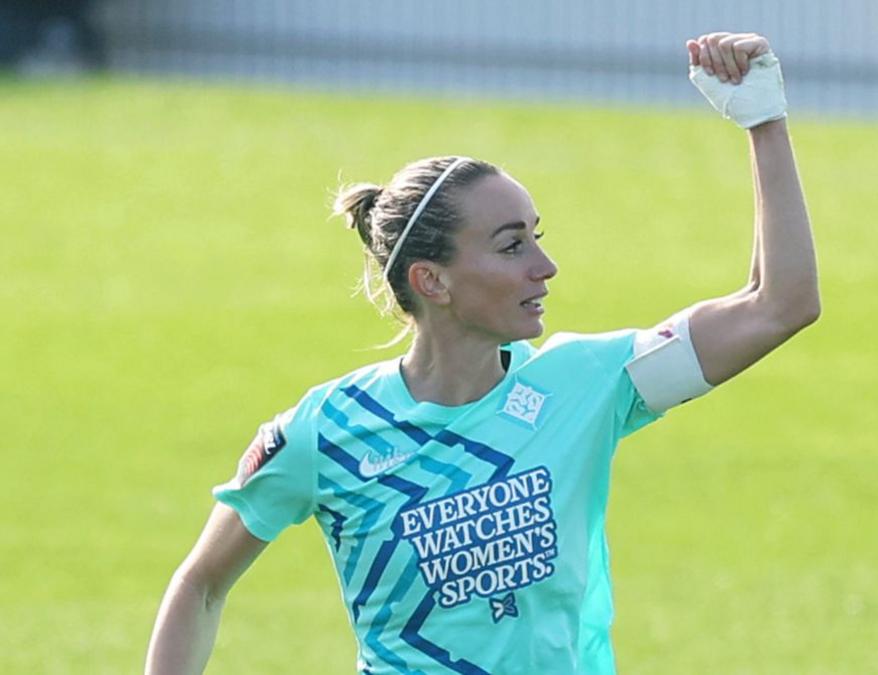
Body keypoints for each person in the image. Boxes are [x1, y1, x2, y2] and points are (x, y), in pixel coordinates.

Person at [145, 32, 820, 675]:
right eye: (511, 246)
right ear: (432, 281)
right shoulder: (328, 430)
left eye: (537, 237)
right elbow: (201, 584)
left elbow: (779, 304)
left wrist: (764, 123)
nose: (545, 267)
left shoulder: (587, 383)